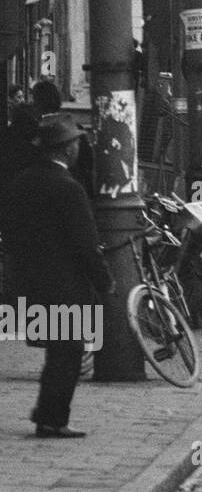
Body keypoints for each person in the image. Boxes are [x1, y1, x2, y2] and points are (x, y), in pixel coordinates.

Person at [0, 115, 113, 438]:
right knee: (68, 353)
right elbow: (86, 245)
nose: (79, 148)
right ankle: (52, 419)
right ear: (65, 150)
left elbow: (10, 231)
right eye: (76, 143)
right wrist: (104, 281)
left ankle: (46, 412)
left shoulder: (20, 183)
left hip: (28, 280)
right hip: (64, 285)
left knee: (57, 352)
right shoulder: (69, 188)